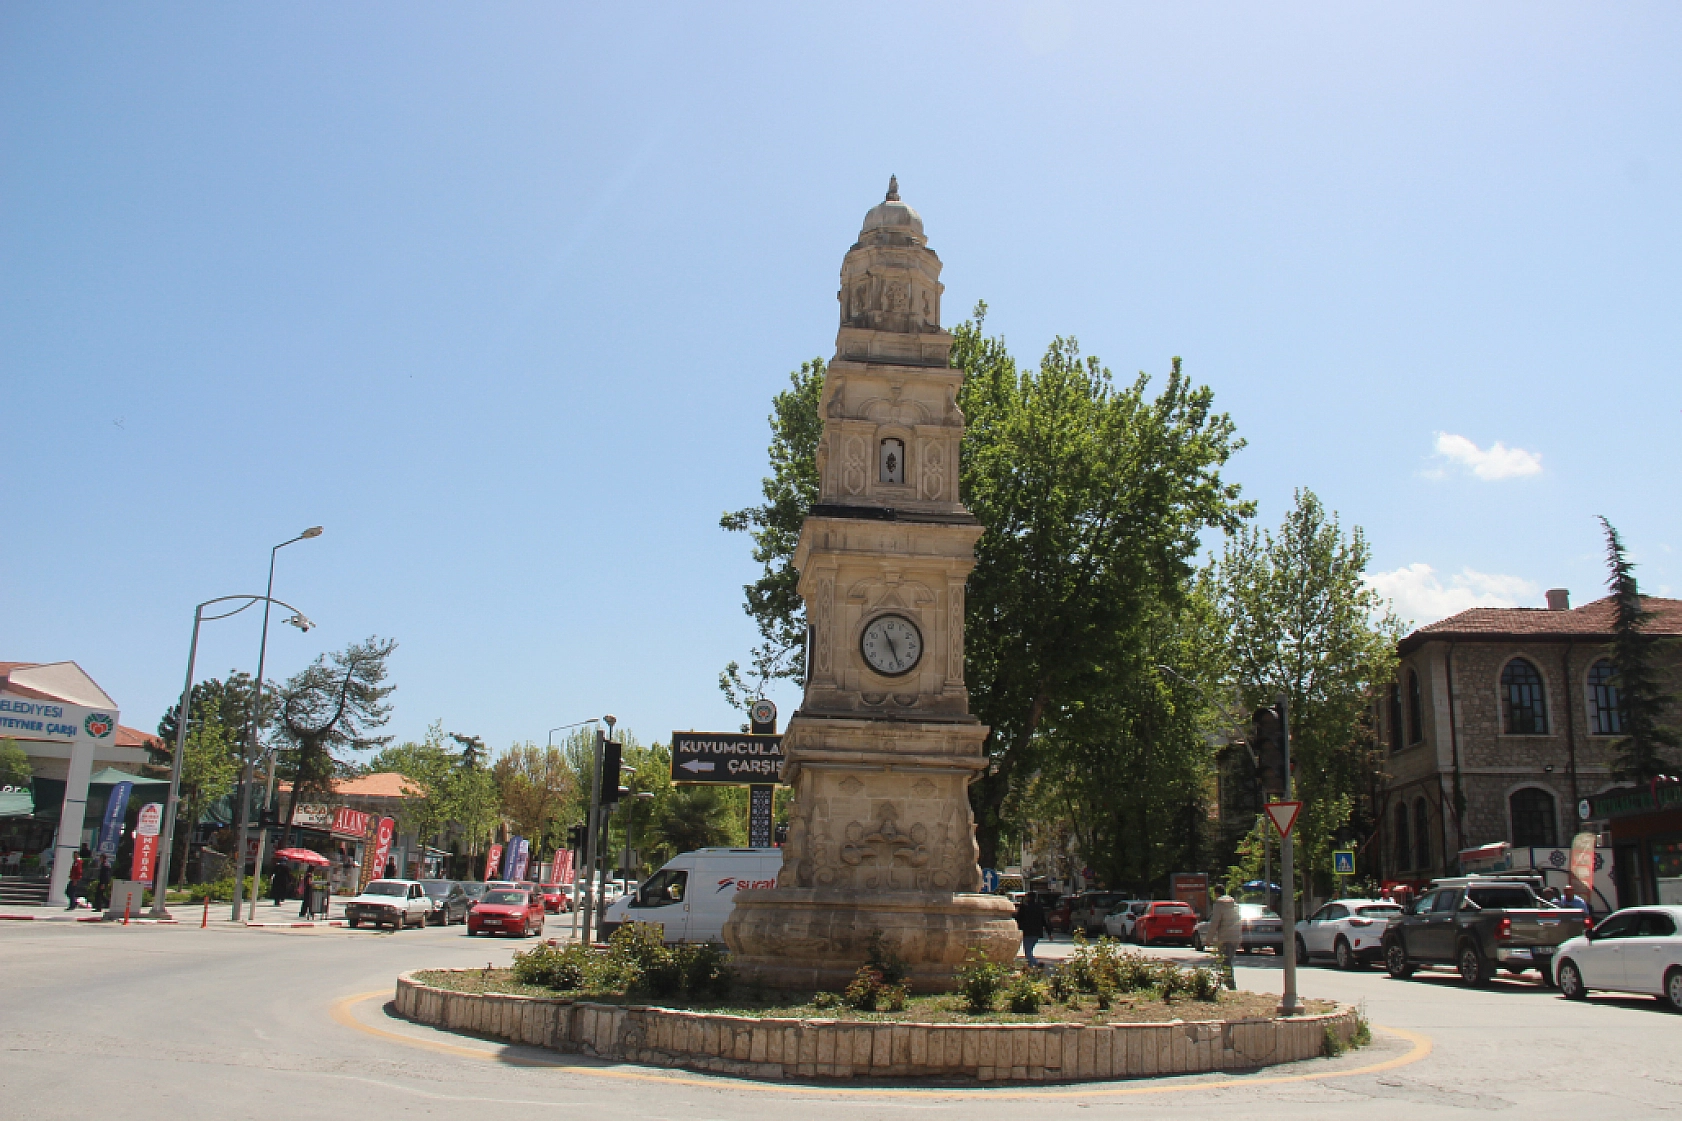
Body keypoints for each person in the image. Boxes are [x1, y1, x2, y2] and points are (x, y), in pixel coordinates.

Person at [1207, 890, 1242, 991]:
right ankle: (1226, 982)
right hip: (1236, 937)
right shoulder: (1235, 904)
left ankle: (1230, 985)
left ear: (1217, 894)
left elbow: (1215, 922)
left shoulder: (1219, 905)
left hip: (1225, 937)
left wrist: (1209, 938)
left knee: (1225, 962)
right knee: (1228, 961)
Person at [1016, 893, 1047, 968]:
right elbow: (1044, 920)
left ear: (1028, 898)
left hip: (1027, 932)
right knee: (1030, 950)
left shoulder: (1024, 907)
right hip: (1037, 933)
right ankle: (1029, 968)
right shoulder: (1039, 907)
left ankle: (1036, 963)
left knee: (1028, 952)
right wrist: (1049, 933)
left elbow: (1018, 918)